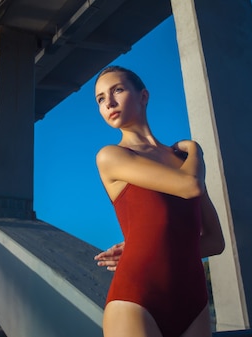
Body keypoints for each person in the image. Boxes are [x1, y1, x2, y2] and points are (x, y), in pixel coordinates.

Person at [92, 66, 225, 337]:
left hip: (194, 302)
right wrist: (196, 150)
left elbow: (215, 240)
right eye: (101, 99)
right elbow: (190, 187)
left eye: (117, 90)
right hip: (136, 299)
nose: (110, 103)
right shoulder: (111, 156)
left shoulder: (183, 164)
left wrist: (147, 247)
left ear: (143, 96)